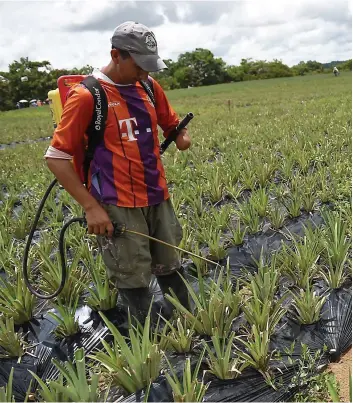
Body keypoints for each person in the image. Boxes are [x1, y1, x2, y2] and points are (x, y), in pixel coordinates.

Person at [45, 21, 192, 324]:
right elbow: (56, 158)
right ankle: (150, 343)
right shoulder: (88, 97)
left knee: (171, 264)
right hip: (117, 203)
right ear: (116, 55)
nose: (144, 73)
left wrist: (180, 135)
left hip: (157, 194)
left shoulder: (149, 87)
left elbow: (171, 122)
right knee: (132, 276)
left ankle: (187, 326)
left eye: (149, 67)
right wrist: (91, 207)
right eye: (139, 66)